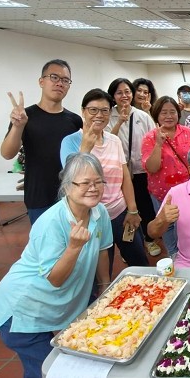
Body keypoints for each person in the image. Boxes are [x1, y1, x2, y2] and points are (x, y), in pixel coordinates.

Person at [0, 153, 112, 378]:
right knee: (49, 371)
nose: (93, 188)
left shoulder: (100, 212)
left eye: (98, 182)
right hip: (21, 310)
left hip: (52, 304)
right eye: (85, 183)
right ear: (67, 186)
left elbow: (102, 250)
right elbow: (55, 279)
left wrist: (105, 287)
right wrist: (73, 247)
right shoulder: (51, 222)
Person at [60, 89, 149, 272]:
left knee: (140, 263)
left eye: (104, 110)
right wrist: (85, 148)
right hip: (90, 218)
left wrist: (132, 209)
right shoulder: (70, 141)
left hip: (120, 213)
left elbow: (124, 176)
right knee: (100, 270)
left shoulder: (114, 140)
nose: (99, 115)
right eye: (93, 110)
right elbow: (72, 179)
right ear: (83, 111)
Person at [1, 59, 82, 224]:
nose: (60, 83)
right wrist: (18, 126)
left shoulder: (74, 121)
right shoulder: (25, 116)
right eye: (54, 77)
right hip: (38, 197)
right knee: (44, 240)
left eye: (65, 80)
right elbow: (7, 153)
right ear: (41, 81)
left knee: (74, 238)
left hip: (70, 196)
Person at [107, 78, 160, 257]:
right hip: (118, 172)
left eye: (127, 92)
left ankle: (149, 240)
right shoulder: (109, 115)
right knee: (125, 210)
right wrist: (119, 122)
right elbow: (106, 141)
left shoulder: (142, 116)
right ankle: (129, 244)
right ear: (113, 96)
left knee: (145, 206)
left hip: (141, 171)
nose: (124, 95)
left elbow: (154, 139)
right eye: (119, 92)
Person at [142, 96, 190, 256]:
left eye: (172, 112)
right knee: (167, 224)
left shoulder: (187, 133)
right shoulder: (150, 137)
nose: (168, 116)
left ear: (178, 114)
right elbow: (152, 168)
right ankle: (174, 255)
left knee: (187, 223)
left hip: (187, 191)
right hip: (162, 193)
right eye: (163, 112)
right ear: (157, 115)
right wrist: (158, 144)